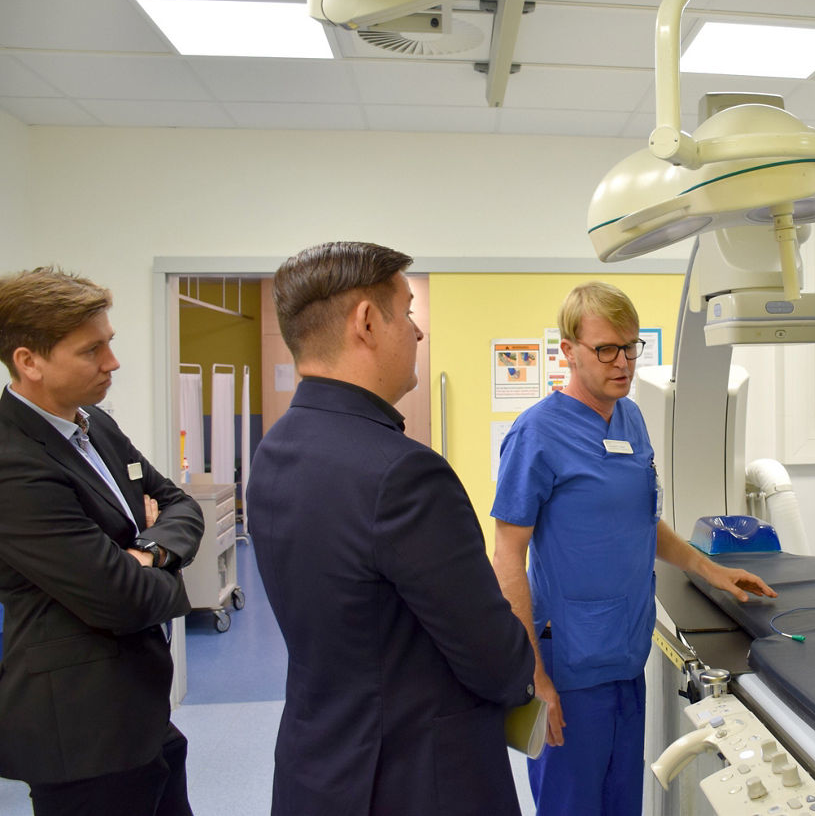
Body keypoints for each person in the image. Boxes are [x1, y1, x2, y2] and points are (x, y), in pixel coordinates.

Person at [247, 241, 536, 816]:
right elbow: (497, 663)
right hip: (414, 781)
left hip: (319, 767)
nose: (418, 333)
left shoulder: (276, 449)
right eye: (408, 313)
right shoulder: (404, 472)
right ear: (367, 321)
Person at [491, 280, 778, 816]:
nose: (621, 362)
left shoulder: (631, 418)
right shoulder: (537, 435)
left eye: (630, 346)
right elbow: (507, 558)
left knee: (622, 804)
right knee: (572, 806)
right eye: (605, 349)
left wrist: (709, 569)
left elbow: (645, 521)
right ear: (568, 351)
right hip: (568, 663)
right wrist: (533, 677)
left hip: (625, 655)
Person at [0, 267, 203, 816]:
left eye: (108, 344)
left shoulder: (95, 426)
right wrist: (154, 567)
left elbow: (181, 504)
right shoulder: (14, 465)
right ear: (29, 361)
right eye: (92, 350)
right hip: (81, 733)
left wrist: (150, 553)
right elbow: (120, 599)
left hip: (140, 713)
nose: (112, 363)